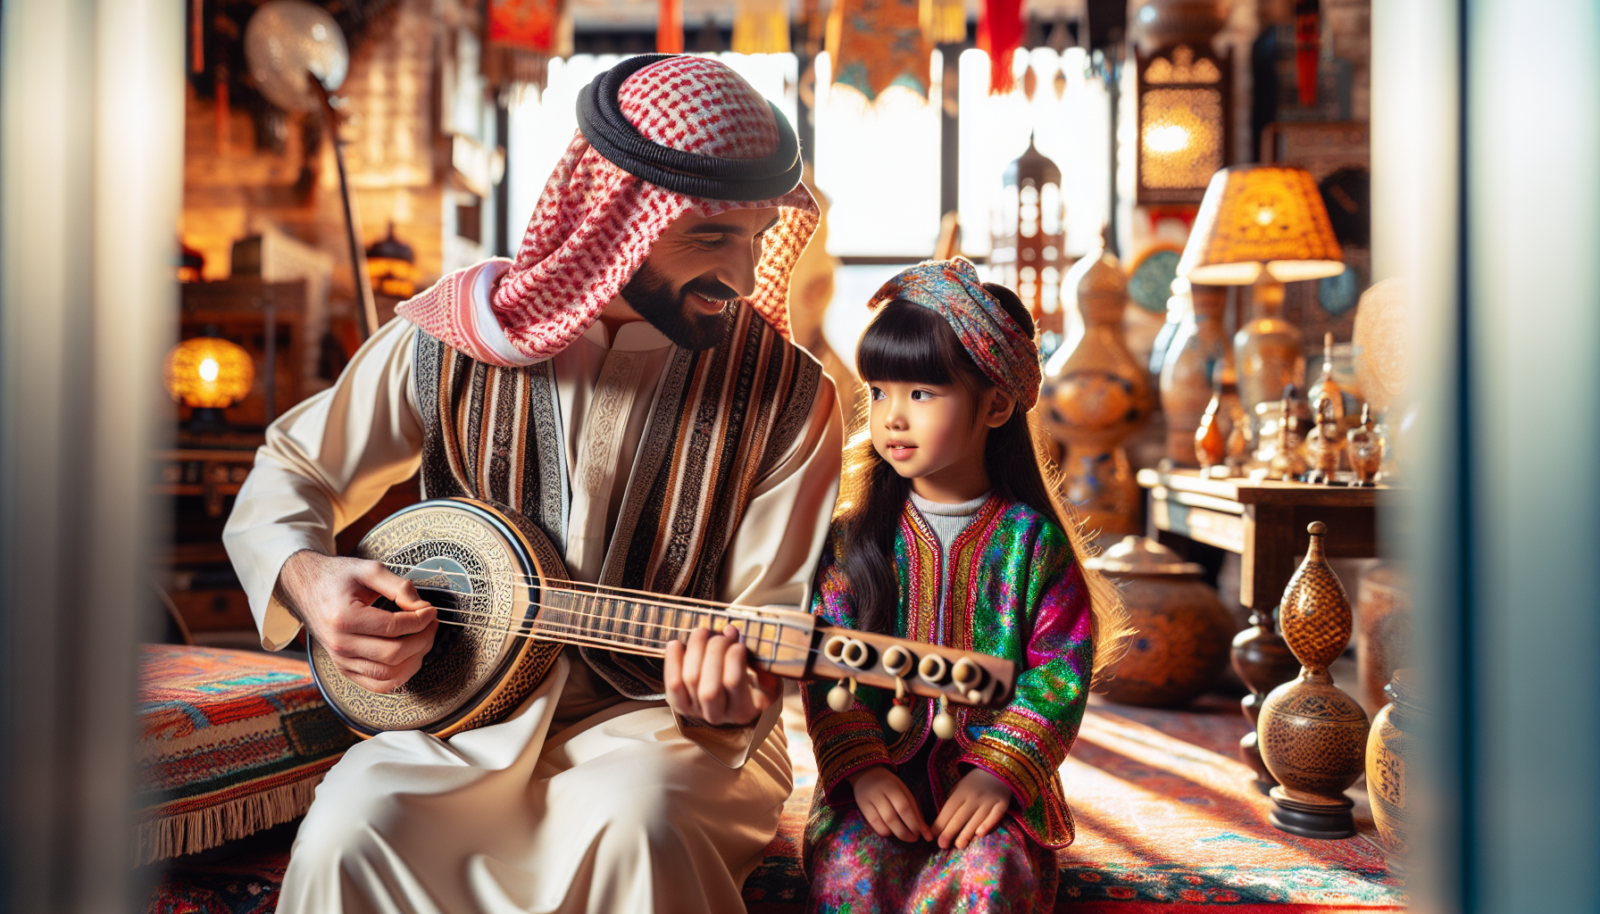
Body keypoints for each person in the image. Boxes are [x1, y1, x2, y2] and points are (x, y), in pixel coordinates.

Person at [222, 54, 843, 914]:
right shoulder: (453, 339)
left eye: (756, 238)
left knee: (640, 823)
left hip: (669, 734)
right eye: (710, 237)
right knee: (355, 823)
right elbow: (294, 466)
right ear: (612, 216)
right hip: (458, 716)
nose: (740, 277)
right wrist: (310, 577)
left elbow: (764, 613)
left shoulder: (790, 396)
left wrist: (727, 702)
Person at [799, 259, 1132, 914]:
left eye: (921, 394)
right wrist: (862, 767)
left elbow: (1057, 674)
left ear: (997, 404)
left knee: (989, 881)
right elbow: (826, 665)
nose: (892, 417)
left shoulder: (1031, 545)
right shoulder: (852, 539)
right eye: (881, 391)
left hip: (995, 794)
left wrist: (998, 775)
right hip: (874, 783)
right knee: (853, 877)